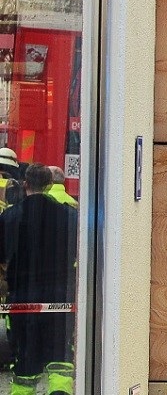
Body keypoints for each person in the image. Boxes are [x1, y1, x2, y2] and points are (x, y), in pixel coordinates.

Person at [0, 163, 78, 395]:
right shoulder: (70, 216)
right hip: (60, 298)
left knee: (25, 356)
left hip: (23, 299)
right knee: (60, 356)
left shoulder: (9, 217)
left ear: (25, 184)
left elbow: (2, 258)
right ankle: (60, 391)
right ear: (49, 185)